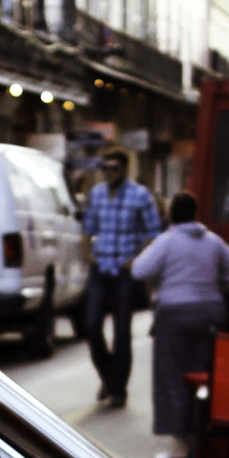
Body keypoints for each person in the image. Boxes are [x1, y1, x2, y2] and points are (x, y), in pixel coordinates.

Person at [130, 192, 229, 458]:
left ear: (170, 213)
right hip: (210, 313)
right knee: (203, 376)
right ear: (195, 213)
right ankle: (202, 440)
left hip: (174, 314)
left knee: (172, 377)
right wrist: (218, 286)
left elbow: (139, 270)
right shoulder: (213, 241)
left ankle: (180, 444)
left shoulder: (167, 241)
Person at [77, 152, 162, 408]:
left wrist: (137, 259)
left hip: (125, 270)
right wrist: (87, 255)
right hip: (101, 267)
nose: (108, 172)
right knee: (91, 327)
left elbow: (153, 234)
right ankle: (109, 377)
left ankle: (118, 390)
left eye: (114, 168)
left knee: (122, 332)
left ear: (125, 169)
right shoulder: (97, 193)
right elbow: (87, 229)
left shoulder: (140, 195)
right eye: (105, 167)